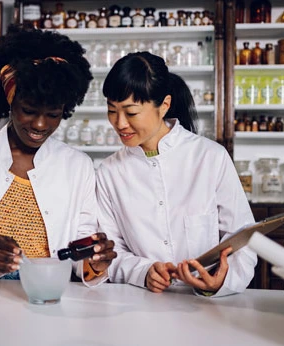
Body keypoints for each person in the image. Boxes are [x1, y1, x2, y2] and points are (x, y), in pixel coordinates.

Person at [0, 25, 116, 286]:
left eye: (53, 114)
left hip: (49, 289)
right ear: (9, 101)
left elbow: (81, 244)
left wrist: (93, 260)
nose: (40, 125)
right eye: (29, 110)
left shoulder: (78, 166)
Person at [95, 52, 257, 297]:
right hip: (142, 304)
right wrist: (143, 271)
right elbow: (110, 249)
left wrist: (222, 281)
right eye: (111, 111)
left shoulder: (210, 156)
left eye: (131, 112)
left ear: (164, 106)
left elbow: (242, 237)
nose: (119, 123)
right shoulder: (109, 172)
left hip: (207, 307)